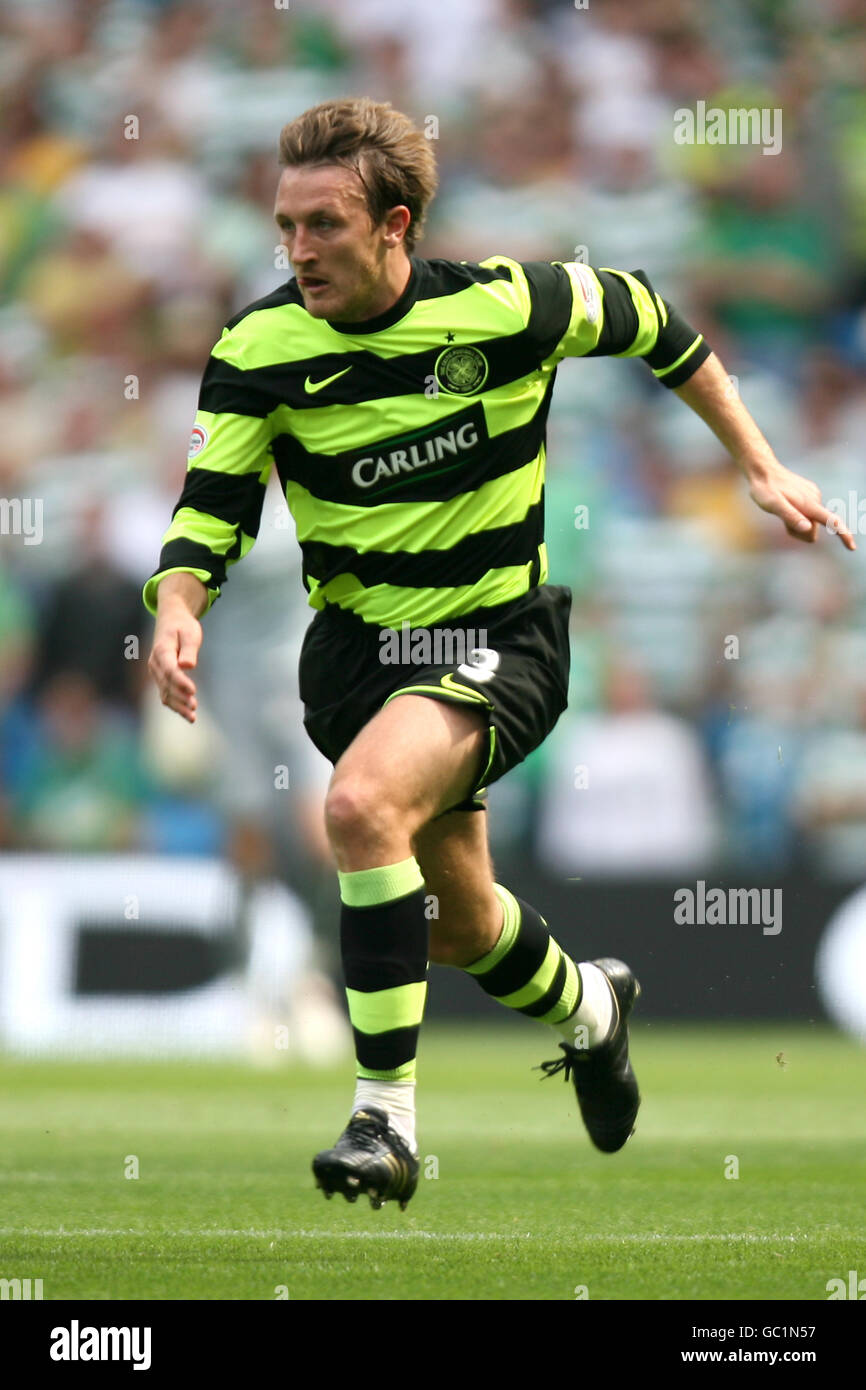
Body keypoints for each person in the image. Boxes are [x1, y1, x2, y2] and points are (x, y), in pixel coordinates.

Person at [144, 97, 855, 1212]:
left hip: (495, 638)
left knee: (357, 809)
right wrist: (180, 605)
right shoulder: (258, 347)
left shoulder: (509, 305)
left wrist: (759, 466)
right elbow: (210, 509)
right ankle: (590, 1010)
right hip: (355, 662)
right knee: (461, 922)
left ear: (396, 223)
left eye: (323, 224)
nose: (296, 250)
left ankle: (385, 1120)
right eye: (284, 225)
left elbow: (655, 324)